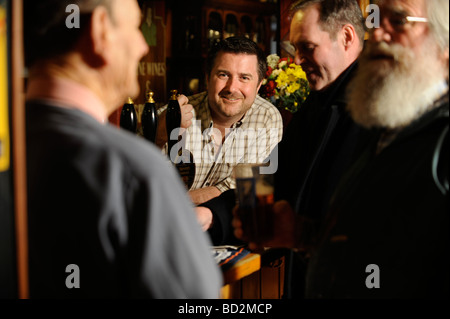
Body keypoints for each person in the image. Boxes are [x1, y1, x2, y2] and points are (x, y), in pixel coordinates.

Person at [235, 0, 449, 298]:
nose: (377, 34)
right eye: (378, 20)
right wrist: (299, 233)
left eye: (399, 20)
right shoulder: (385, 114)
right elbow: (363, 237)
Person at [24, 0, 222, 298]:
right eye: (135, 26)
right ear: (101, 30)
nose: (143, 46)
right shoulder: (133, 169)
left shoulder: (14, 145)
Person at [201, 0, 366, 295]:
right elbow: (273, 177)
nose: (298, 61)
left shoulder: (380, 111)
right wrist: (213, 215)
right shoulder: (318, 102)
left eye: (308, 47)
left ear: (347, 36)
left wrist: (301, 234)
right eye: (295, 49)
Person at [155, 36, 283, 229]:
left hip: (224, 230)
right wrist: (158, 137)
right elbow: (134, 180)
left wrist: (181, 201)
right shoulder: (173, 115)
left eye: (244, 78)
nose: (232, 88)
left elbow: (245, 189)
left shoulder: (267, 118)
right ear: (207, 78)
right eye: (223, 75)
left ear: (258, 86)